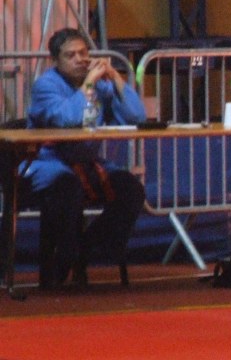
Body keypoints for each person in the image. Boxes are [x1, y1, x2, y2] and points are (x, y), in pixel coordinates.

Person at [22, 27, 147, 289]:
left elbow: (137, 117)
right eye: (71, 55)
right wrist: (88, 84)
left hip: (87, 162)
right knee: (67, 186)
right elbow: (69, 119)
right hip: (47, 161)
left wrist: (115, 78)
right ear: (56, 61)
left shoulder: (101, 84)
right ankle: (63, 258)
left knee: (131, 190)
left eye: (83, 53)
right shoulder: (46, 85)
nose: (80, 59)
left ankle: (85, 250)